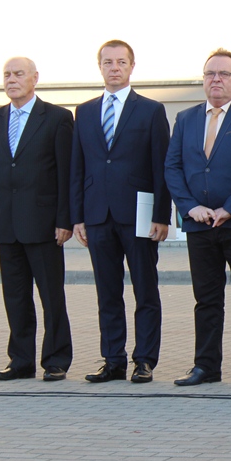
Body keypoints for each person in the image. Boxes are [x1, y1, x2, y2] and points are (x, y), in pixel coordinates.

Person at [165, 49, 231, 386]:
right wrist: (189, 207)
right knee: (206, 299)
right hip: (199, 224)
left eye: (224, 74)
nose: (216, 79)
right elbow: (173, 167)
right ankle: (206, 366)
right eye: (210, 73)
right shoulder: (185, 118)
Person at [71, 40, 171, 384]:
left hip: (139, 215)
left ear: (131, 66)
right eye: (108, 62)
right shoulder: (84, 111)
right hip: (97, 214)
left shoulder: (151, 110)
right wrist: (78, 216)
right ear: (100, 67)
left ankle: (144, 360)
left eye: (121, 62)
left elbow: (161, 166)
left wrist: (161, 216)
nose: (114, 68)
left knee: (145, 290)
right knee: (107, 292)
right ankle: (113, 360)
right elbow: (78, 166)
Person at [0, 57, 74, 382]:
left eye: (18, 74)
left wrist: (65, 220)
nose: (11, 79)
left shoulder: (57, 118)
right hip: (5, 224)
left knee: (52, 297)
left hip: (44, 225)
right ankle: (21, 361)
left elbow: (65, 173)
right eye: (6, 74)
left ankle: (56, 359)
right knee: (16, 297)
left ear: (34, 78)